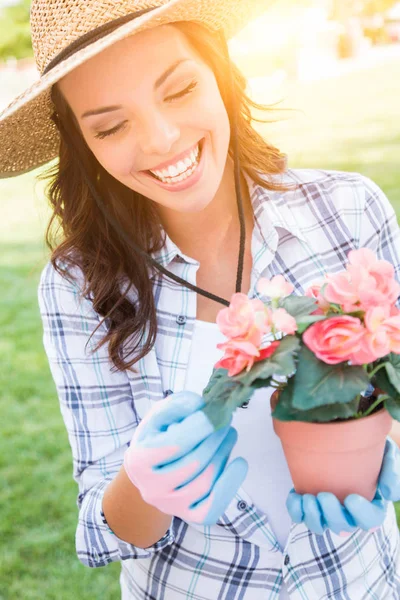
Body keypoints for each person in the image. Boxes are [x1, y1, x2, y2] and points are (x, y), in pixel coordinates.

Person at [1, 1, 400, 598]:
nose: (162, 140)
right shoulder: (75, 287)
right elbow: (101, 530)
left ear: (220, 70)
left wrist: (381, 450)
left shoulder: (348, 210)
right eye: (110, 127)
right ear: (82, 144)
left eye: (180, 88)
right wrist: (145, 485)